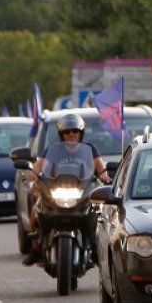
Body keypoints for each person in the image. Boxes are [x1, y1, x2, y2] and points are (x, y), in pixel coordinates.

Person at [23, 113, 109, 266]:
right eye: (67, 132)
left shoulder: (90, 149)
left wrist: (104, 176)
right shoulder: (52, 150)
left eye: (75, 131)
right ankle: (36, 249)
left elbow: (100, 168)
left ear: (80, 133)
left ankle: (95, 249)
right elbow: (39, 166)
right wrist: (33, 174)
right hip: (56, 190)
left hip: (81, 191)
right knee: (37, 210)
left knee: (97, 214)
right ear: (61, 134)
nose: (71, 134)